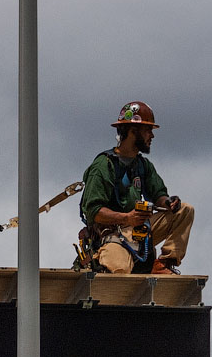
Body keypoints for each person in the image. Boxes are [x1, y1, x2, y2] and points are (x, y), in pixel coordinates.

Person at [79, 101, 194, 274]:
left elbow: (158, 195)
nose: (152, 136)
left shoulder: (142, 165)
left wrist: (168, 202)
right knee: (118, 270)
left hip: (139, 228)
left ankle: (164, 263)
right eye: (147, 130)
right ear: (133, 131)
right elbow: (93, 211)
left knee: (184, 210)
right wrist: (127, 218)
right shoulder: (104, 166)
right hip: (113, 234)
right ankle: (105, 257)